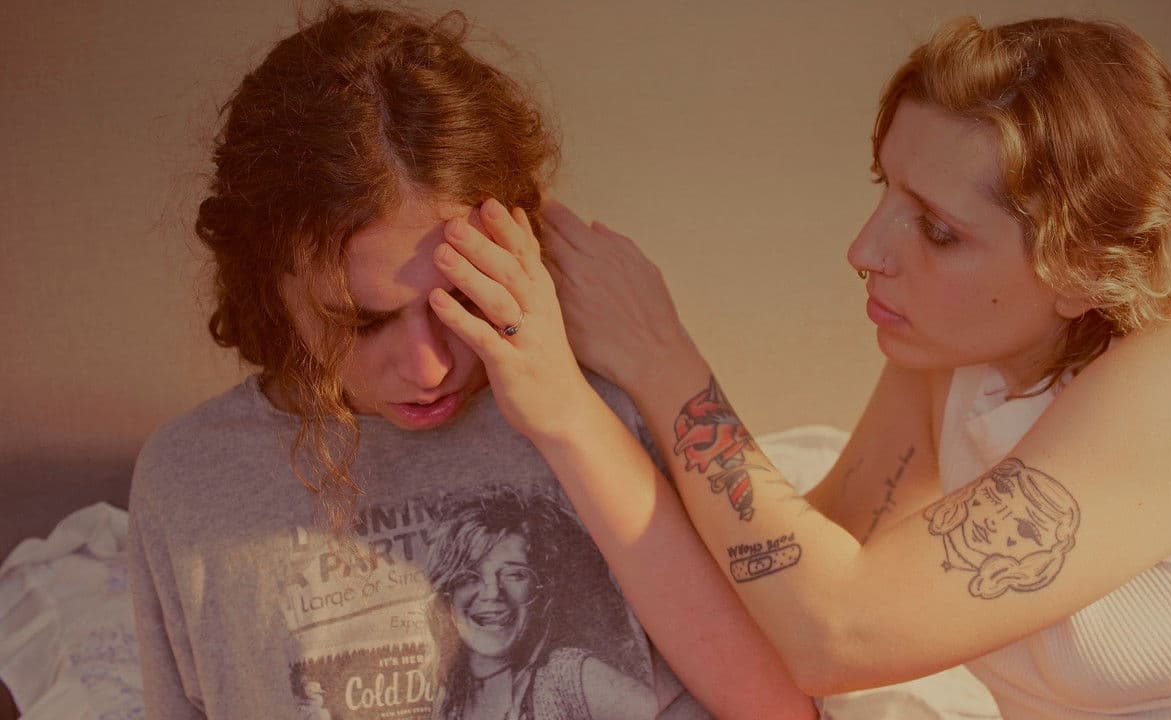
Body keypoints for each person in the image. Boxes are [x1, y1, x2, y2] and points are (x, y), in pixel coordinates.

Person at [426, 16, 1171, 719]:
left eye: (937, 231)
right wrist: (571, 416)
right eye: (886, 190)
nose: (865, 251)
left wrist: (662, 360)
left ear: (1084, 268)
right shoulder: (958, 356)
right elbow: (783, 585)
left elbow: (836, 634)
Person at [125, 6, 814, 719]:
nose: (429, 368)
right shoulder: (190, 479)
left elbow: (780, 710)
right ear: (268, 284)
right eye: (361, 322)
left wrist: (567, 419)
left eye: (462, 301)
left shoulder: (606, 403)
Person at [421, 486, 651, 719]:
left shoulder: (566, 676)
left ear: (543, 589)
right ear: (446, 594)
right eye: (469, 577)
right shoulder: (449, 698)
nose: (492, 593)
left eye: (515, 574)